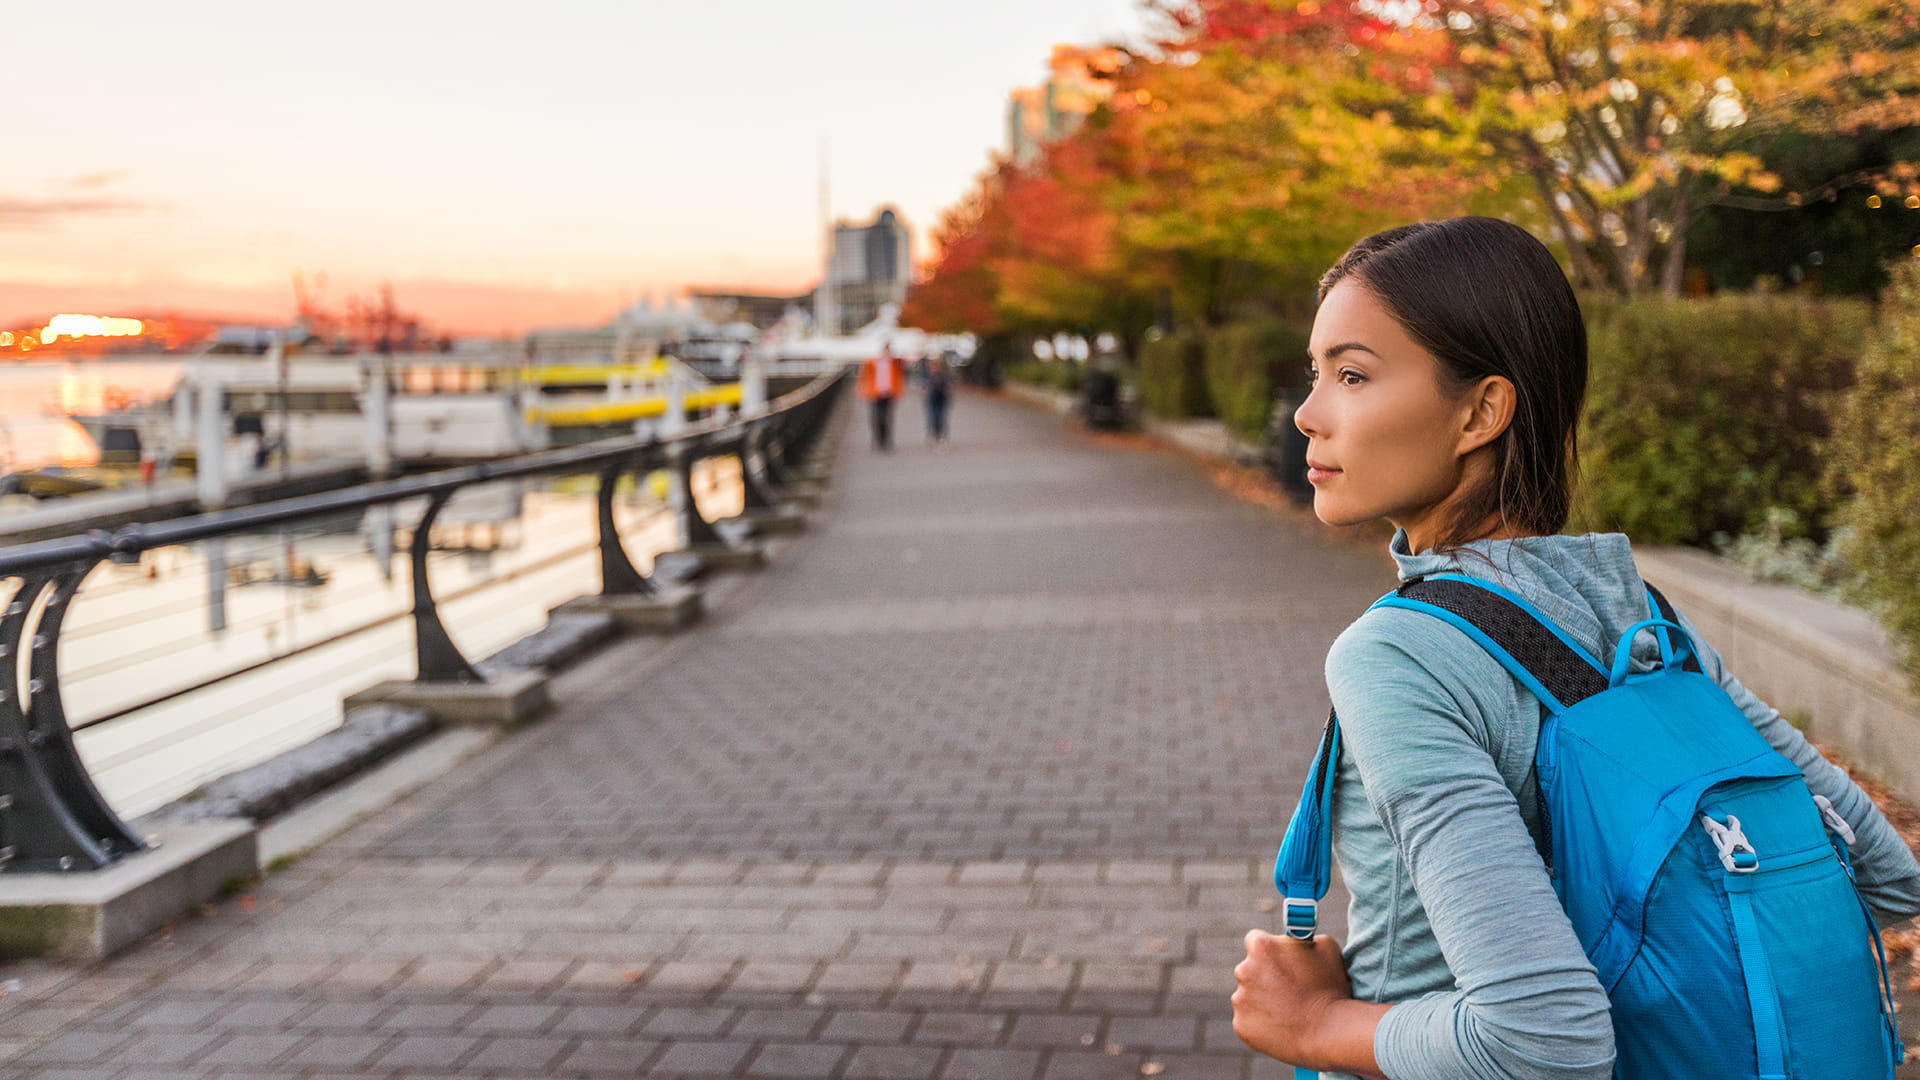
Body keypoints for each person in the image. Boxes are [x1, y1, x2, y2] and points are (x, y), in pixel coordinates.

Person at [1229, 217, 1920, 1079]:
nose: (1306, 414)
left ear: (1482, 410)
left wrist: (1313, 1027)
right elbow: (1885, 874)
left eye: (1354, 375)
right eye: (1316, 374)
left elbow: (1544, 1038)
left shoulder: (1399, 655)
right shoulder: (1645, 623)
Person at [858, 344, 906, 451]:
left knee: (887, 417)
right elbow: (864, 376)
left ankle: (886, 440)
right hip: (875, 393)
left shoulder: (894, 363)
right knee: (877, 417)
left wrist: (898, 391)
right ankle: (878, 439)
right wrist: (862, 390)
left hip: (889, 392)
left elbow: (900, 375)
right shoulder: (872, 362)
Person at [923, 353, 953, 444]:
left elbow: (947, 388)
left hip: (940, 399)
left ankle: (939, 435)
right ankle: (935, 435)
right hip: (933, 399)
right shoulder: (929, 376)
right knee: (934, 418)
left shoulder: (942, 375)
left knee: (939, 418)